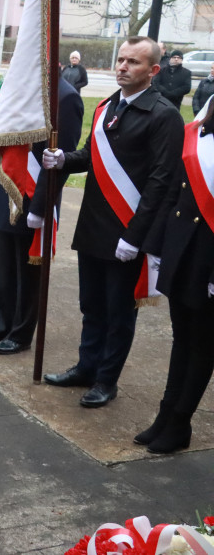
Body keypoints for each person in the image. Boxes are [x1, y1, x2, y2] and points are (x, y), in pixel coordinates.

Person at [42, 36, 184, 408]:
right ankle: (85, 367)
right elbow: (91, 155)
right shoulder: (107, 106)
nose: (123, 67)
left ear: (153, 70)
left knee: (119, 312)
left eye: (133, 62)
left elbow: (161, 182)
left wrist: (135, 237)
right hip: (93, 224)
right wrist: (63, 160)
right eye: (120, 60)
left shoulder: (164, 115)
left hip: (127, 231)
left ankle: (106, 379)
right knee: (91, 304)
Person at [0, 77, 83, 354]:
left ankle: (21, 333)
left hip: (36, 195)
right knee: (5, 266)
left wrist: (41, 207)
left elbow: (63, 157)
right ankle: (2, 323)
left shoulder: (65, 97)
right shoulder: (20, 84)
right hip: (9, 184)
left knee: (28, 271)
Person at [135, 100, 214, 453]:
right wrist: (156, 245)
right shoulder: (196, 132)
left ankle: (181, 421)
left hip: (210, 255)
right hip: (184, 247)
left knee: (204, 344)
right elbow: (173, 191)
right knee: (182, 337)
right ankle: (166, 414)